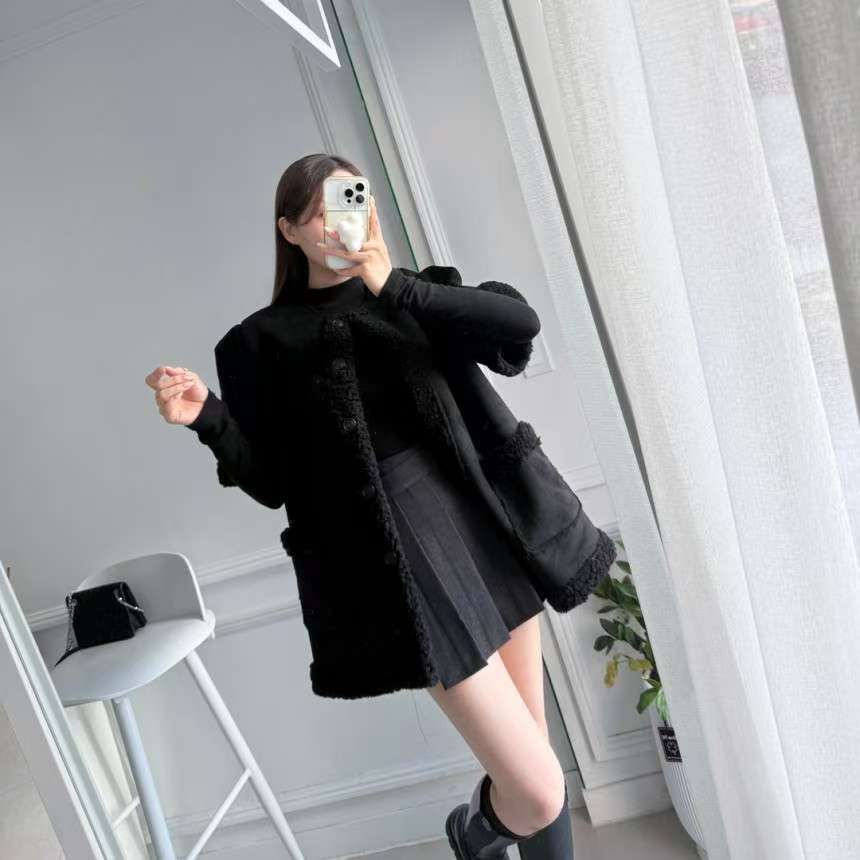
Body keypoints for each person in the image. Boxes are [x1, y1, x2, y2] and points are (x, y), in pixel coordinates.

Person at [144, 154, 578, 858]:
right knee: (537, 791)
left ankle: (483, 834)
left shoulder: (412, 294)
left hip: (484, 526)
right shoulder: (257, 342)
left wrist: (392, 282)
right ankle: (474, 832)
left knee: (535, 757)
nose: (340, 221)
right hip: (404, 556)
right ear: (289, 229)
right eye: (320, 212)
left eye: (351, 200)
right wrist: (208, 418)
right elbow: (272, 482)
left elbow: (519, 324)